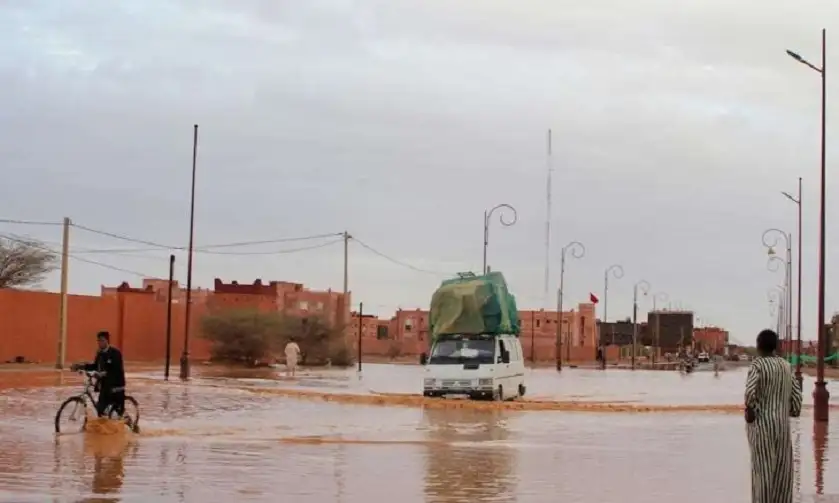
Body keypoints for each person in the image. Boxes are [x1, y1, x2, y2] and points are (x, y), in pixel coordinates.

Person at [745, 329, 802, 503]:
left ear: (759, 346)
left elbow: (749, 392)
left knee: (762, 473)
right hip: (782, 428)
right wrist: (790, 411)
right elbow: (797, 398)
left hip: (762, 428)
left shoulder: (757, 365)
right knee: (782, 474)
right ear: (775, 346)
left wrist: (750, 410)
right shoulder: (786, 366)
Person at [72, 331, 126, 418]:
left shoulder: (115, 353)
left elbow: (116, 370)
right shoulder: (100, 353)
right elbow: (95, 366)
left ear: (107, 341)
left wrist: (103, 374)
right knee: (100, 411)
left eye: (102, 340)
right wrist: (80, 366)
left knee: (117, 413)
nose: (100, 342)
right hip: (105, 385)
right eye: (98, 340)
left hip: (116, 386)